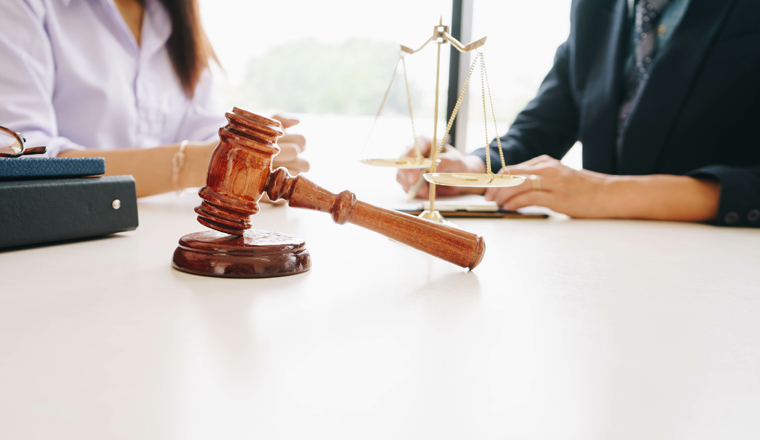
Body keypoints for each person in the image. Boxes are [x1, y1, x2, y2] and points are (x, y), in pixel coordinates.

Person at [397, 0, 760, 228]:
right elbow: (543, 126)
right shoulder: (595, 8)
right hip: (605, 265)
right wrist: (471, 170)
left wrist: (607, 193)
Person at [0, 0, 308, 198]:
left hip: (156, 249)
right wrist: (198, 164)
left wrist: (245, 147)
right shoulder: (24, 7)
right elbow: (19, 159)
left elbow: (199, 127)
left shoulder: (174, 16)